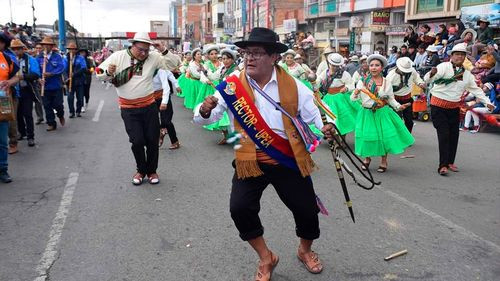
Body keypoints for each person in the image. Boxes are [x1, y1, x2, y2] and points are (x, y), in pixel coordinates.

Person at [193, 27, 336, 281]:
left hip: (287, 156)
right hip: (248, 157)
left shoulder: (295, 86)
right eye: (247, 53)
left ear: (274, 57)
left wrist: (326, 127)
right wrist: (204, 109)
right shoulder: (232, 85)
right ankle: (266, 257)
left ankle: (305, 250)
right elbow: (205, 118)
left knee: (306, 211)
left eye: (257, 53)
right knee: (239, 209)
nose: (249, 58)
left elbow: (317, 117)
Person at [96, 32, 169, 185]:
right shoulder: (118, 56)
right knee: (137, 141)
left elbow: (175, 64)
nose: (143, 53)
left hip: (149, 107)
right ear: (133, 45)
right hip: (128, 109)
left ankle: (152, 171)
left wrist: (163, 50)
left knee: (152, 140)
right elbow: (99, 73)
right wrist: (108, 72)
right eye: (140, 49)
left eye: (146, 50)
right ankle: (141, 170)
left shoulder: (154, 57)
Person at [424, 43, 495, 175]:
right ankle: (442, 165)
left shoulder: (467, 74)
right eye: (457, 54)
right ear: (451, 56)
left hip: (453, 108)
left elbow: (476, 90)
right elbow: (428, 80)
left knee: (454, 136)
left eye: (462, 55)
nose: (459, 57)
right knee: (444, 135)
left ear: (465, 58)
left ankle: (450, 162)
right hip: (438, 107)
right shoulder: (443, 67)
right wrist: (431, 74)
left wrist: (487, 102)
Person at [351, 54, 414, 173]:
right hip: (367, 113)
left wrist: (399, 106)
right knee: (368, 138)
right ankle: (367, 159)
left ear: (382, 68)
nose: (374, 68)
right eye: (371, 65)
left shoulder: (386, 82)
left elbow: (390, 98)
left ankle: (384, 161)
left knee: (384, 138)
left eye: (377, 65)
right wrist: (355, 93)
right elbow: (353, 99)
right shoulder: (363, 81)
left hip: (382, 112)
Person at [201, 48, 239, 144]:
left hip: (234, 98)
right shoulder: (223, 69)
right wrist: (204, 71)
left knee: (234, 119)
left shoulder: (236, 70)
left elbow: (232, 86)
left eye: (227, 59)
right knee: (225, 118)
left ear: (232, 59)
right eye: (223, 59)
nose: (225, 61)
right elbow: (213, 77)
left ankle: (239, 141)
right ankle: (229, 137)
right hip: (224, 97)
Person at [316, 53, 359, 135]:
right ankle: (332, 137)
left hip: (340, 97)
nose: (334, 67)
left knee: (342, 119)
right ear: (330, 64)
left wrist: (346, 88)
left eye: (336, 66)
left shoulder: (344, 74)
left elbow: (350, 84)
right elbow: (319, 81)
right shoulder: (325, 72)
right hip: (328, 97)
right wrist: (315, 84)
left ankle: (342, 137)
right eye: (333, 65)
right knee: (329, 118)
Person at [11, 39, 40, 147]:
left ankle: (30, 136)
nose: (16, 51)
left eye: (18, 49)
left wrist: (24, 76)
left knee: (27, 114)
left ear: (23, 49)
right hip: (14, 91)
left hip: (26, 90)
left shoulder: (31, 60)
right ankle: (21, 132)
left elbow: (36, 74)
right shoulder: (11, 60)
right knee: (17, 115)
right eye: (14, 49)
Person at [386, 57, 426, 133]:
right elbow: (387, 91)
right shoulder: (391, 76)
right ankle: (397, 138)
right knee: (397, 120)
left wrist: (420, 83)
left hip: (407, 99)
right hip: (395, 100)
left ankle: (407, 137)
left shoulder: (412, 71)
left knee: (409, 121)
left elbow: (417, 78)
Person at [0, 35, 20, 183]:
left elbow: (18, 76)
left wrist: (9, 82)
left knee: (2, 140)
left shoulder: (7, 59)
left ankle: (3, 169)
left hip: (3, 103)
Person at [36, 36, 65, 131]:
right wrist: (39, 78)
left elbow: (61, 68)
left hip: (56, 86)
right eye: (44, 45)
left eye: (48, 45)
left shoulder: (57, 56)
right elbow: (36, 70)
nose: (46, 47)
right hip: (45, 86)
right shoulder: (39, 58)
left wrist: (51, 73)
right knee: (47, 106)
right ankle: (51, 123)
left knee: (58, 105)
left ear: (52, 46)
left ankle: (60, 115)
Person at [153, 68, 180, 149]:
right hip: (150, 98)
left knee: (166, 121)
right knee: (153, 121)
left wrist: (177, 85)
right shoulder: (143, 69)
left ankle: (175, 141)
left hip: (163, 97)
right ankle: (160, 132)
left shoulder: (160, 70)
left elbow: (167, 82)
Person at [65, 42, 87, 118]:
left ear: (75, 50)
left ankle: (78, 111)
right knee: (70, 97)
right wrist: (66, 78)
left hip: (79, 80)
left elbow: (83, 68)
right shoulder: (65, 58)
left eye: (73, 49)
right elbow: (63, 69)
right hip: (70, 81)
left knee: (80, 98)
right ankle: (71, 112)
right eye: (70, 49)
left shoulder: (80, 58)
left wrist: (74, 74)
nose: (71, 51)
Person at [79, 48, 95, 113]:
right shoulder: (77, 59)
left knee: (86, 92)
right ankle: (81, 106)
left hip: (87, 78)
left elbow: (92, 68)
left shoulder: (89, 60)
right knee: (81, 93)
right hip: (80, 78)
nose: (82, 54)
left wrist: (89, 70)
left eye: (83, 52)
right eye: (81, 52)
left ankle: (87, 102)